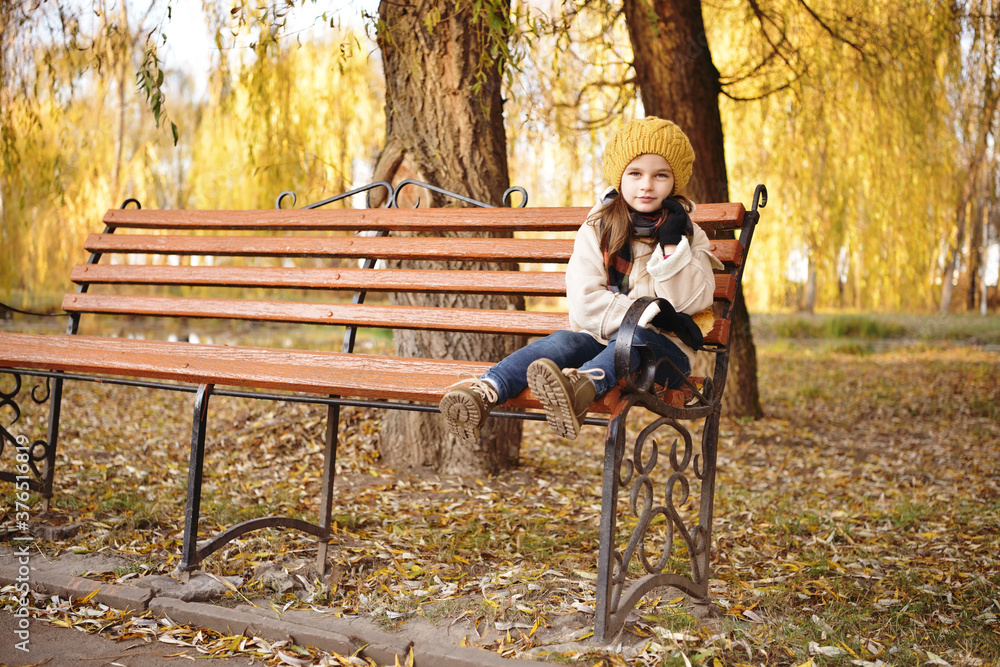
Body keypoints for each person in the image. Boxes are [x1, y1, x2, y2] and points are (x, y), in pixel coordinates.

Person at [438, 116, 723, 442]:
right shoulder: (599, 226)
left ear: (675, 181)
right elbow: (585, 302)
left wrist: (672, 247)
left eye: (660, 175)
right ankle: (485, 391)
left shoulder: (689, 234)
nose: (647, 185)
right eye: (635, 173)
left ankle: (579, 388)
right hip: (600, 338)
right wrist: (644, 313)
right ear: (620, 177)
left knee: (634, 341)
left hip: (666, 354)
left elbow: (690, 303)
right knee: (563, 340)